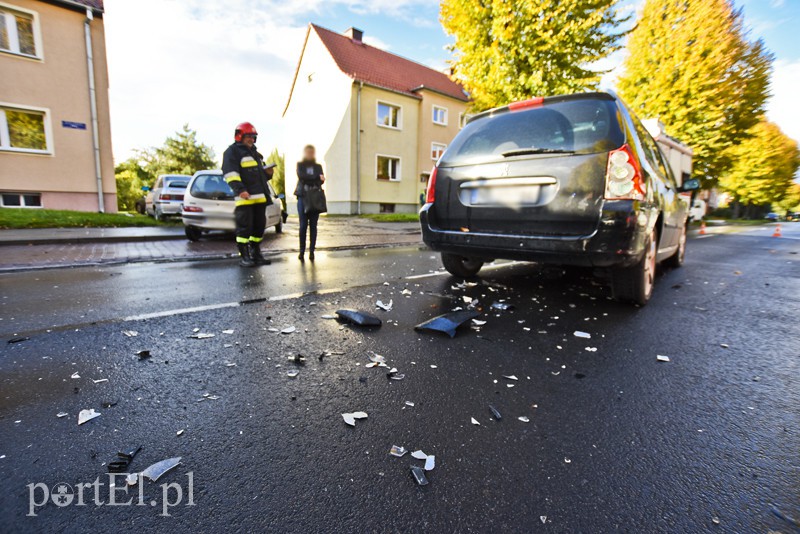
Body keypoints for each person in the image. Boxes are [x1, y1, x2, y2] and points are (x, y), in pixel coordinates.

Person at [222, 122, 274, 267]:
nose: (251, 139)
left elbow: (259, 176)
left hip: (260, 198)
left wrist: (268, 174)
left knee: (259, 227)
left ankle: (256, 254)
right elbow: (230, 174)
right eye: (248, 136)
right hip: (245, 199)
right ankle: (245, 257)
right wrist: (240, 190)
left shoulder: (256, 154)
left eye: (253, 137)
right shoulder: (232, 152)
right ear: (240, 136)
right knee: (244, 228)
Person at [295, 145, 325, 261]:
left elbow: (321, 180)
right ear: (304, 153)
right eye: (308, 152)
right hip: (303, 196)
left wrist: (317, 178)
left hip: (315, 197)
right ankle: (301, 251)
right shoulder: (300, 165)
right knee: (303, 225)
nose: (310, 154)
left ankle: (312, 251)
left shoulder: (318, 166)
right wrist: (316, 177)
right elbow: (302, 176)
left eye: (312, 152)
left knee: (313, 225)